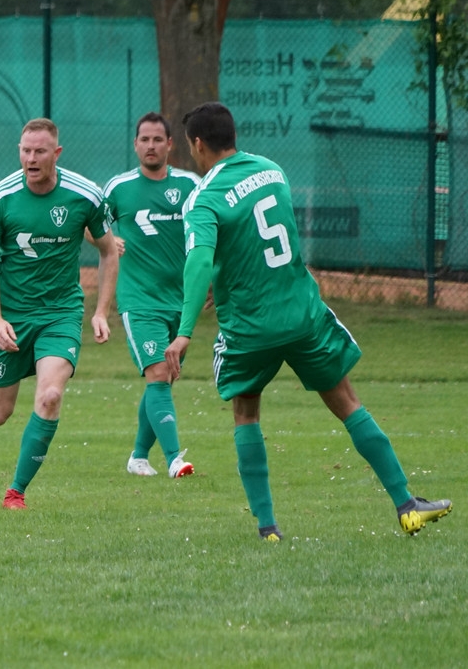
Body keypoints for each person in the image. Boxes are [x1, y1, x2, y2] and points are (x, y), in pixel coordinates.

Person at [164, 102, 452, 540]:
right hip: (302, 316)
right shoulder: (272, 171)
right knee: (347, 403)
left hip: (250, 326)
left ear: (198, 144)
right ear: (233, 135)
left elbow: (200, 261)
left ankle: (268, 529)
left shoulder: (203, 198)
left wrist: (184, 332)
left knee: (246, 412)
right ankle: (406, 504)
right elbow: (264, 243)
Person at [0, 117, 118, 509]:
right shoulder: (0, 198)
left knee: (49, 396)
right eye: (25, 151)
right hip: (12, 316)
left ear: (56, 153)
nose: (31, 158)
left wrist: (101, 311)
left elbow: (109, 250)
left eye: (40, 151)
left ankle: (16, 491)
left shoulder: (85, 195)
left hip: (60, 313)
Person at [102, 112, 200, 479]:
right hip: (139, 299)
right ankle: (175, 459)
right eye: (144, 139)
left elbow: (211, 230)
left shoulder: (191, 185)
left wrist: (210, 281)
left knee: (164, 377)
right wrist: (108, 239)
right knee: (158, 372)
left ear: (170, 144)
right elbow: (88, 224)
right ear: (135, 144)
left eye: (158, 139)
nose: (151, 146)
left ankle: (139, 457)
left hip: (181, 300)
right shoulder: (119, 187)